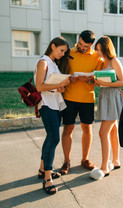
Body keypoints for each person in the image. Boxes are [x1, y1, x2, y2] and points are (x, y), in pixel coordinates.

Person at [59, 30, 103, 175]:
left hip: (87, 98)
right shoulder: (68, 52)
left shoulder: (97, 57)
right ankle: (67, 161)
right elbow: (60, 72)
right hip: (69, 97)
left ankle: (85, 159)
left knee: (87, 129)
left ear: (91, 45)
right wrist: (68, 78)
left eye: (86, 46)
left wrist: (90, 79)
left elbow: (98, 80)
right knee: (68, 129)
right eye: (81, 44)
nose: (82, 48)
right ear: (78, 39)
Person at [35, 37, 71, 195]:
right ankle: (47, 179)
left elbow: (52, 86)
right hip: (46, 105)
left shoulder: (54, 64)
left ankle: (43, 170)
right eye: (61, 50)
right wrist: (60, 84)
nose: (63, 54)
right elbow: (39, 86)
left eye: (64, 52)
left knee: (50, 138)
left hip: (55, 104)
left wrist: (60, 89)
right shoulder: (43, 62)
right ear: (53, 46)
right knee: (54, 138)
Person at [89, 36, 123, 180]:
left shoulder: (115, 61)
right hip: (105, 96)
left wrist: (105, 84)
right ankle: (115, 160)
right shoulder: (102, 63)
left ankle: (104, 167)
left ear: (105, 48)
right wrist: (98, 83)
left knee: (103, 132)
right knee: (113, 130)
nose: (97, 52)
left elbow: (122, 81)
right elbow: (103, 81)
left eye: (98, 49)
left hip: (113, 97)